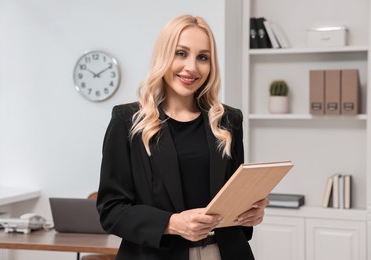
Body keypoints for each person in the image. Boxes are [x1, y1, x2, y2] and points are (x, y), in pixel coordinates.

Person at [96, 14, 269, 260]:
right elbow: (111, 211)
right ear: (164, 55)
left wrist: (250, 213)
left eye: (203, 57)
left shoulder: (228, 120)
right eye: (181, 53)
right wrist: (172, 223)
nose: (192, 67)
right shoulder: (128, 120)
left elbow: (234, 196)